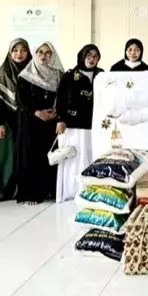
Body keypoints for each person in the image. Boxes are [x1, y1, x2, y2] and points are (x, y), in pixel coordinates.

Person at [16, 42, 63, 205]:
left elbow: (63, 96)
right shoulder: (25, 75)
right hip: (31, 122)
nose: (44, 56)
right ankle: (31, 194)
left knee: (48, 156)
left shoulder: (58, 75)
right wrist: (37, 112)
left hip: (50, 122)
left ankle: (49, 190)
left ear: (53, 56)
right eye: (40, 52)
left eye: (48, 53)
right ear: (35, 55)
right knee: (32, 156)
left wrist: (56, 110)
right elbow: (20, 101)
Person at [56, 44, 103, 202]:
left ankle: (91, 191)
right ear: (82, 56)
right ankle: (73, 190)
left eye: (95, 56)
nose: (92, 59)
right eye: (88, 55)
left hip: (94, 125)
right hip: (72, 125)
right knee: (74, 158)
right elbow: (61, 99)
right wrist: (60, 120)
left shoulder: (101, 75)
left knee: (91, 157)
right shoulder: (70, 76)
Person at [0, 38, 32, 201]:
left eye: (23, 50)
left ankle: (23, 188)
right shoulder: (2, 73)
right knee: (6, 158)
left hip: (27, 121)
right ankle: (4, 190)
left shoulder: (33, 72)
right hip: (7, 122)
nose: (19, 54)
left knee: (25, 156)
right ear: (9, 53)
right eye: (15, 50)